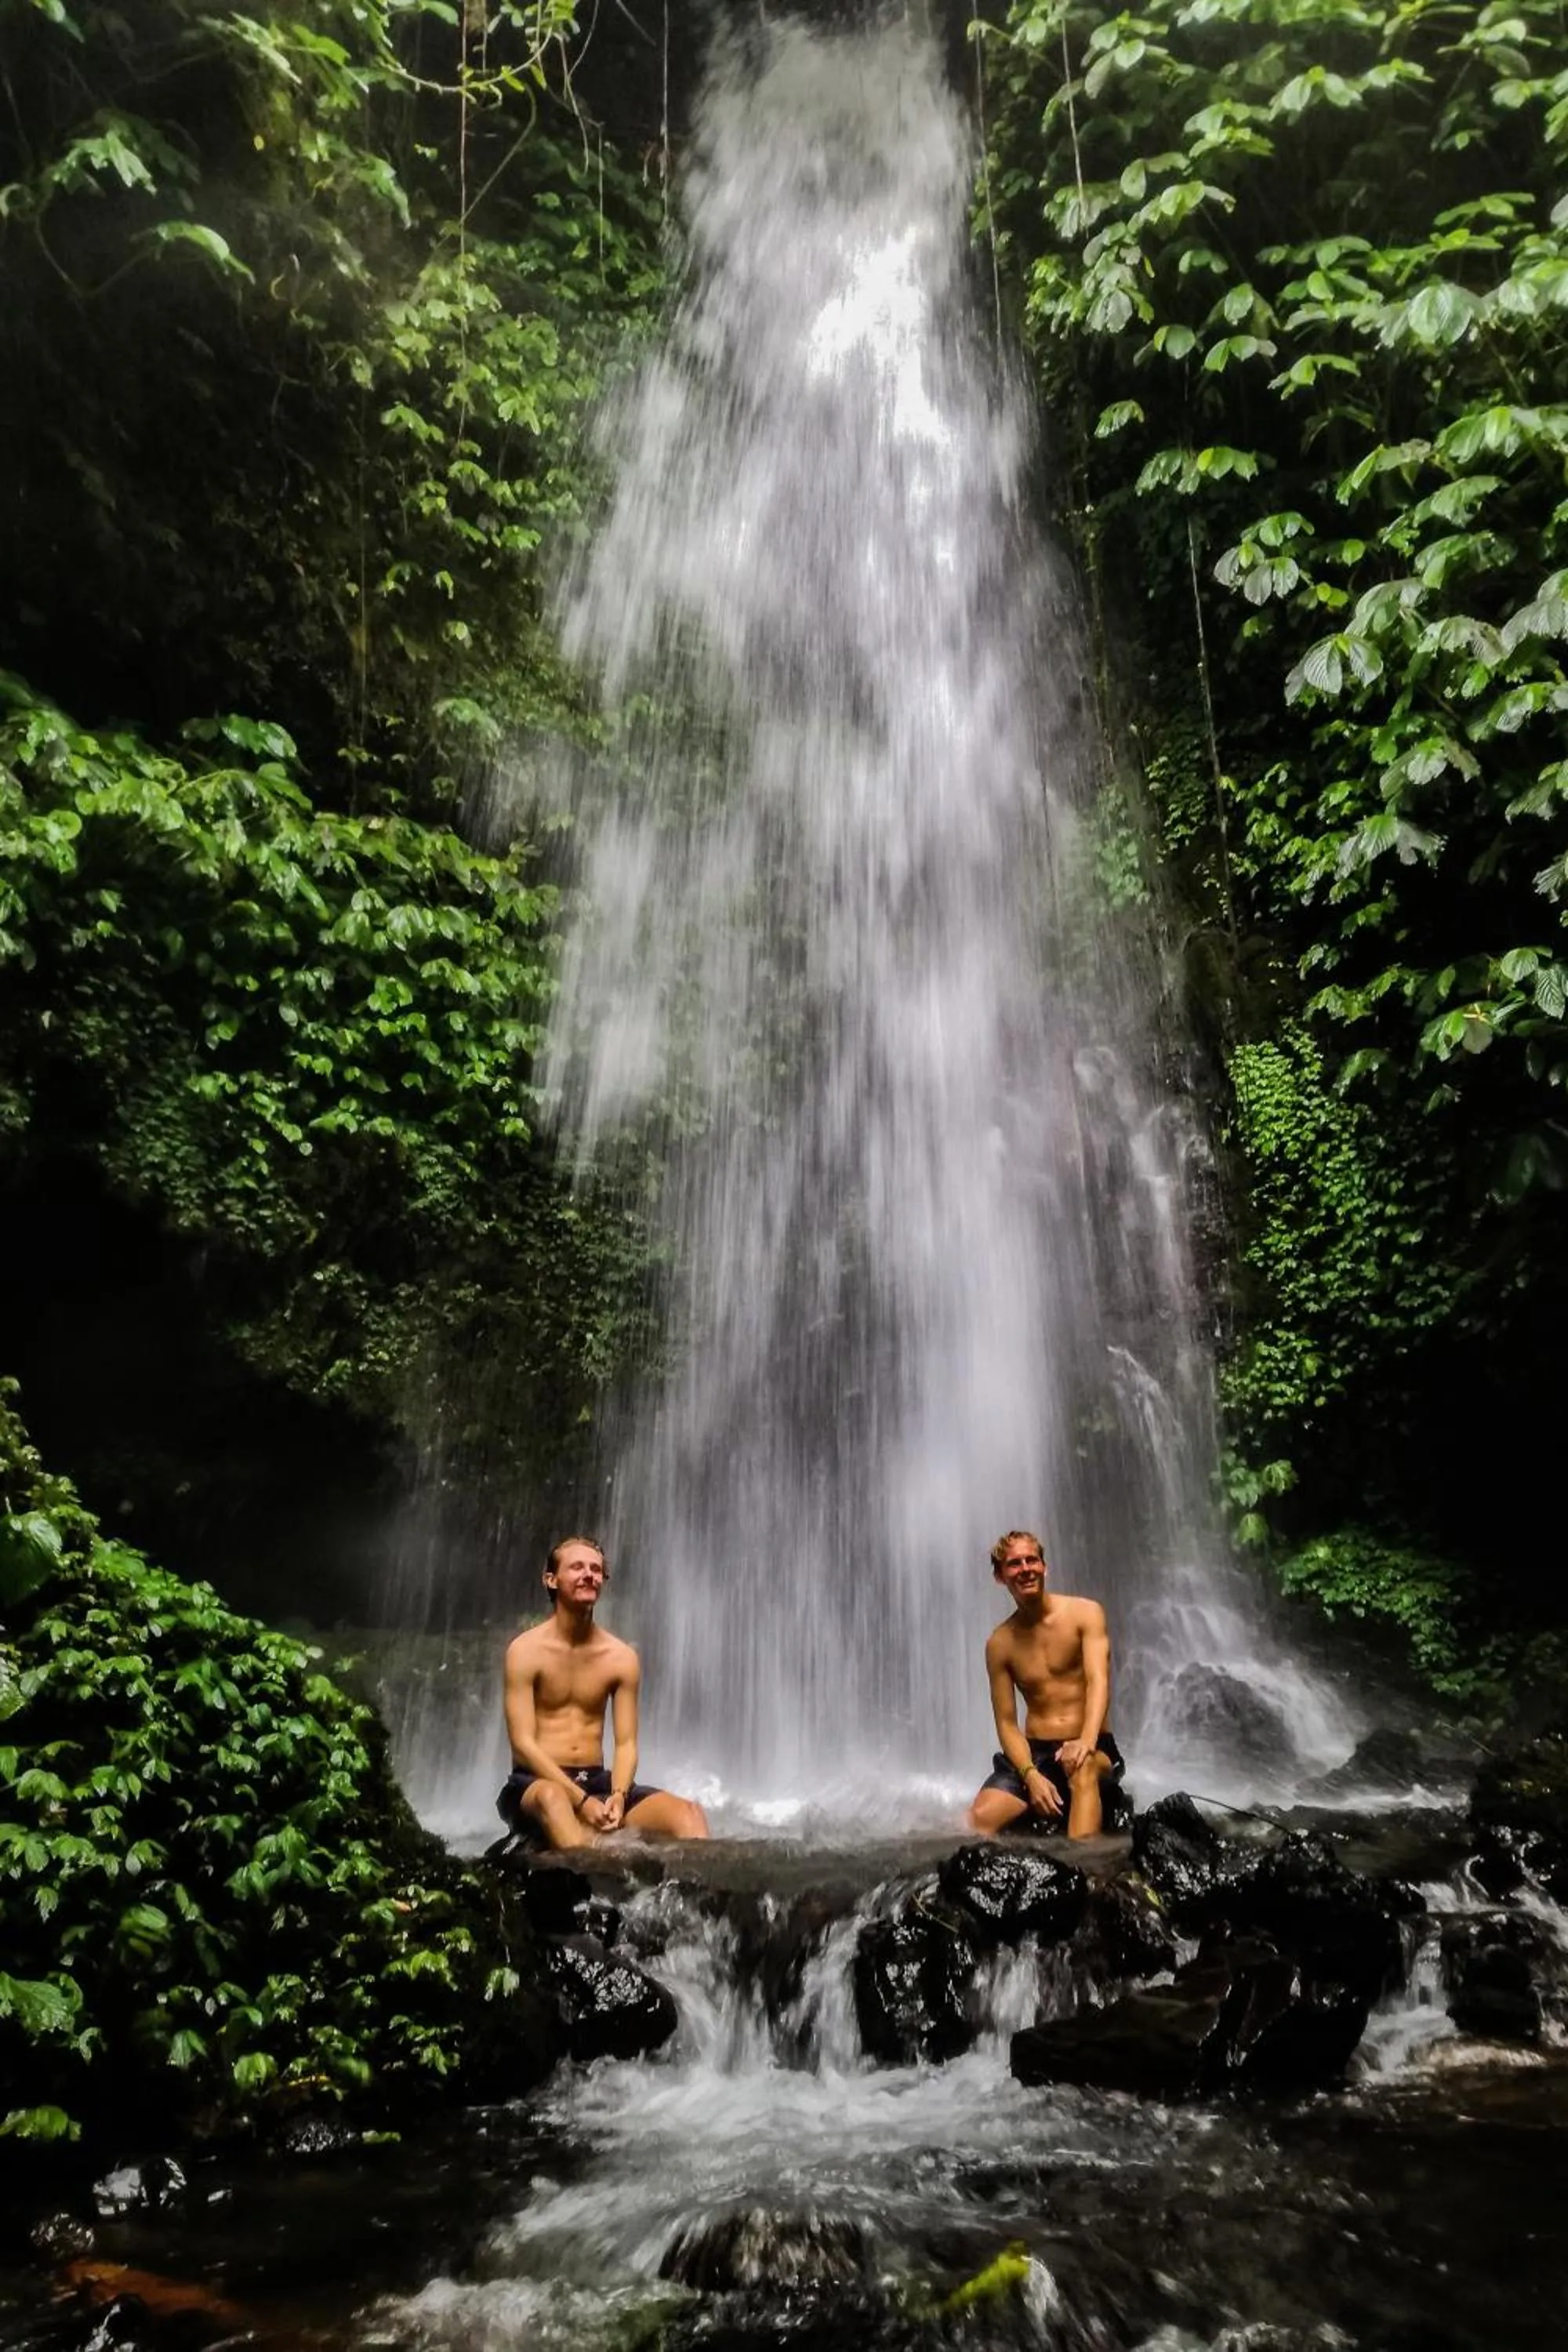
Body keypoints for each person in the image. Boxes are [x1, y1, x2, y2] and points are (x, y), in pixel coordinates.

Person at [499, 1536, 710, 1849]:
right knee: (553, 1798)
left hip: (598, 1781)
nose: (589, 1575)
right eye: (577, 1567)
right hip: (534, 1783)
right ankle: (598, 1872)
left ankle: (701, 1881)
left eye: (596, 1569)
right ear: (551, 1580)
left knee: (689, 1814)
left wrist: (619, 1795)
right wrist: (582, 1802)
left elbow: (626, 1744)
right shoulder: (524, 1651)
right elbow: (523, 1745)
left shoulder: (620, 1657)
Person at [967, 1528, 1127, 1840]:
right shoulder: (1000, 1644)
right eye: (1014, 1564)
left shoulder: (1085, 1614)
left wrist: (1085, 1742)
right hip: (1035, 1754)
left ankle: (1083, 1863)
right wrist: (1030, 1775)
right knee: (978, 1819)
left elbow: (1098, 1682)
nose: (1026, 1569)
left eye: (1032, 1560)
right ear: (1000, 1576)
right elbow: (1007, 1723)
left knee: (1082, 1769)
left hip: (1092, 1743)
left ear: (1044, 1567)